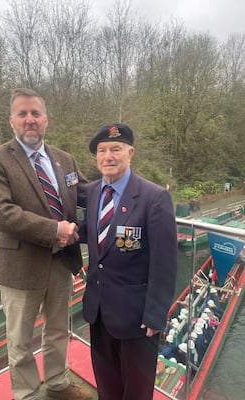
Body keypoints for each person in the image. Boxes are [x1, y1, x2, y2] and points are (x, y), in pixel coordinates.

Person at [0, 88, 91, 400]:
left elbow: (86, 195)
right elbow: (0, 213)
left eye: (35, 114)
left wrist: (125, 189)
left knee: (57, 330)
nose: (30, 120)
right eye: (23, 114)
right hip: (19, 265)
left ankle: (56, 383)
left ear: (46, 121)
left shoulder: (64, 160)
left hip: (60, 262)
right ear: (12, 121)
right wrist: (55, 229)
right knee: (20, 339)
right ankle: (26, 394)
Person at [79, 123, 177, 400]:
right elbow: (96, 233)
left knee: (136, 392)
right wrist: (61, 232)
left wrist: (156, 314)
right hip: (98, 311)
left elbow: (165, 261)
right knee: (107, 387)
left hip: (137, 318)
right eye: (102, 150)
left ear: (130, 152)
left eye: (115, 149)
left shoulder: (154, 197)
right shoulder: (94, 191)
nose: (108, 156)